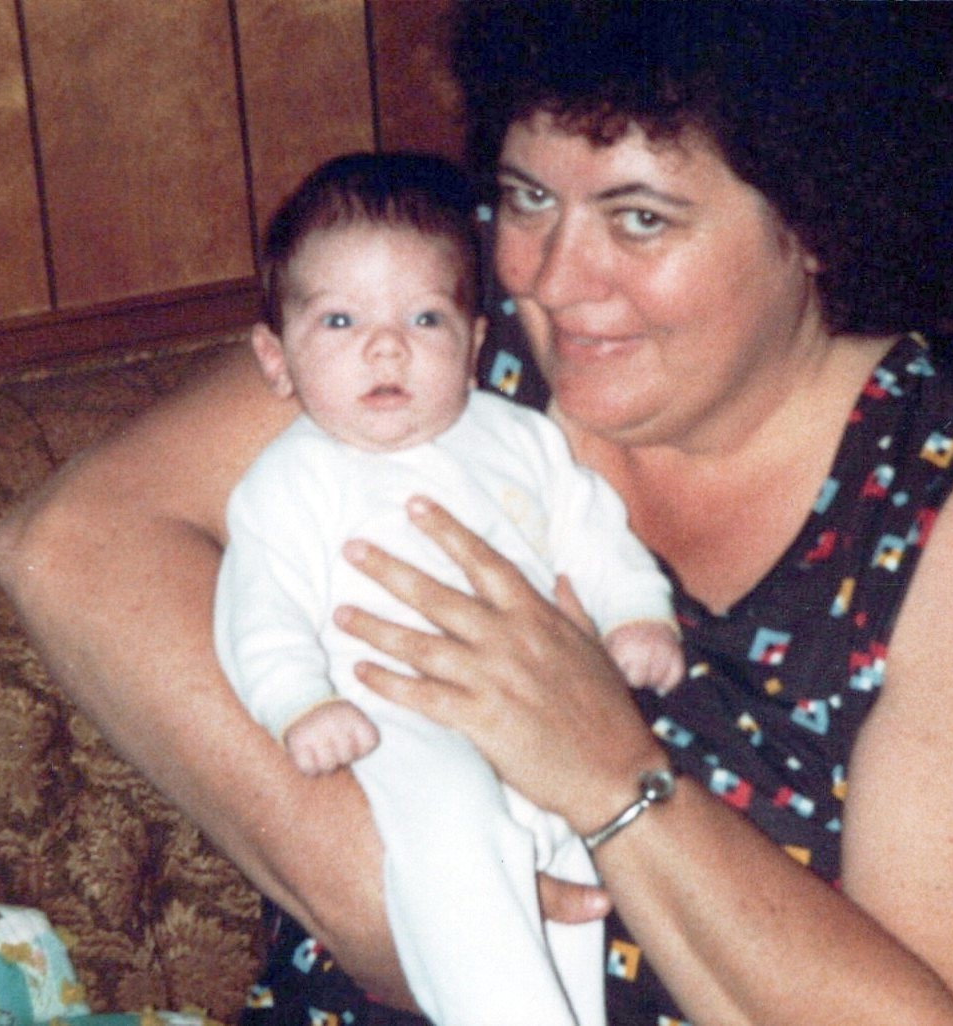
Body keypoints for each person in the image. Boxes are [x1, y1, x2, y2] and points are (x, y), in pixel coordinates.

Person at [0, 3, 953, 1025]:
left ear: (818, 224)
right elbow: (71, 546)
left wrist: (608, 777)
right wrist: (410, 910)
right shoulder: (441, 349)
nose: (548, 276)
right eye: (528, 197)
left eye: (638, 219)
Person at [214, 151, 682, 1026]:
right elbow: (256, 610)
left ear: (471, 349)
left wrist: (634, 614)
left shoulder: (520, 439)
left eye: (424, 317)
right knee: (453, 834)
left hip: (540, 703)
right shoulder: (290, 481)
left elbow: (591, 532)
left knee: (570, 855)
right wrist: (297, 703)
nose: (385, 346)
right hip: (394, 709)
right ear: (276, 360)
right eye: (340, 320)